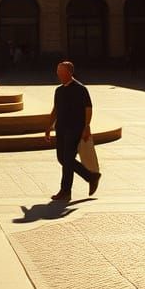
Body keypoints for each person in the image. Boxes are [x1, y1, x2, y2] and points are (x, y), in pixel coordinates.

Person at [44, 60, 101, 201]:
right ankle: (91, 176)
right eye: (58, 72)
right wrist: (48, 126)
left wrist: (87, 126)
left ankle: (65, 191)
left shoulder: (80, 89)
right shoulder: (59, 90)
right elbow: (56, 109)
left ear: (69, 72)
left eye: (61, 72)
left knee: (68, 159)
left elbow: (88, 108)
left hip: (75, 129)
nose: (59, 75)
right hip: (61, 129)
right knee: (62, 159)